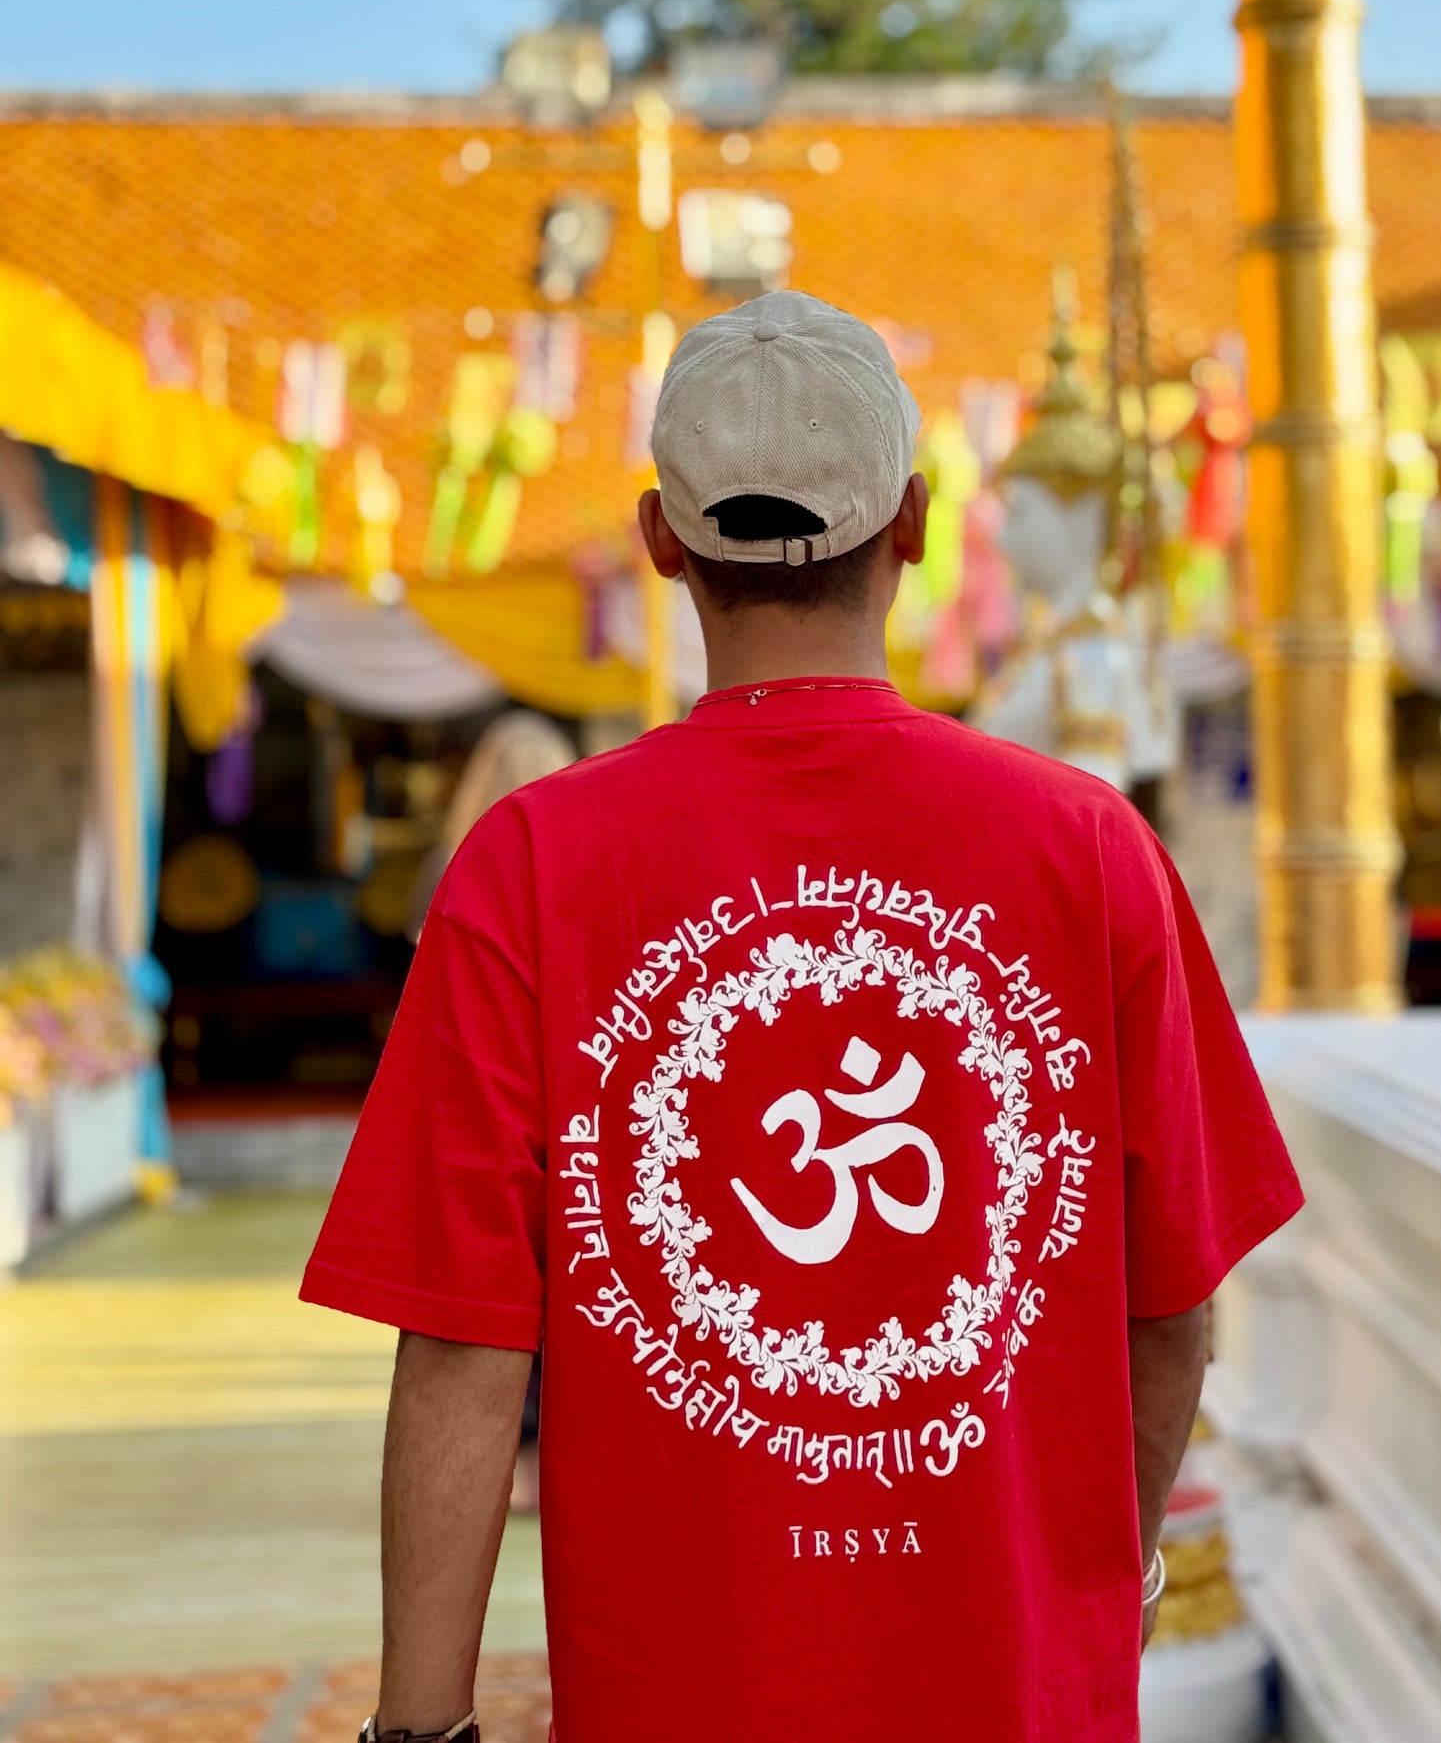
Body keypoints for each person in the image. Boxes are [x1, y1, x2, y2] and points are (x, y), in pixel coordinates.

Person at [301, 290, 1303, 1743]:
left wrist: (419, 1725)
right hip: (1016, 1690)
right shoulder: (1087, 851)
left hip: (676, 1696)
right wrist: (1109, 1565)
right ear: (910, 521)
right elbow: (1171, 1301)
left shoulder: (530, 864)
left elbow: (463, 1343)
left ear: (662, 539)